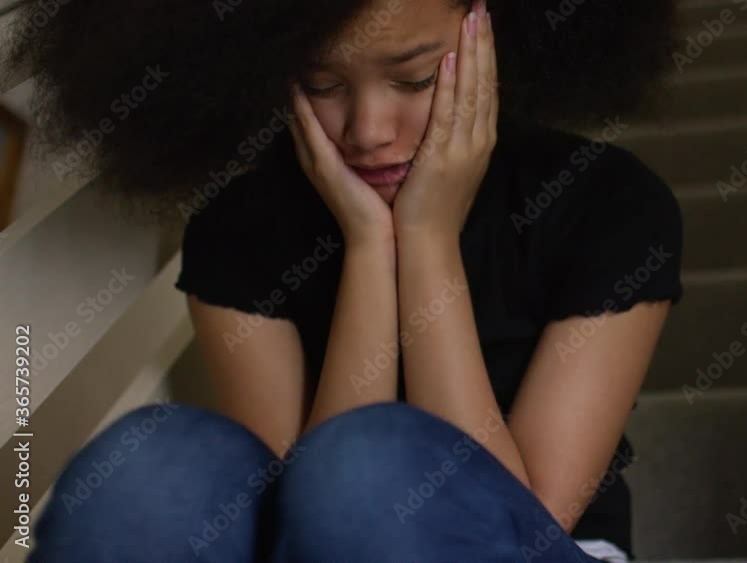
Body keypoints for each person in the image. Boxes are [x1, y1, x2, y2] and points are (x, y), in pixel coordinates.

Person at [9, 0, 682, 560]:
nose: (368, 131)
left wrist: (427, 239)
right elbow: (306, 529)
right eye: (323, 85)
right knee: (151, 464)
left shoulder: (605, 204)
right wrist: (369, 247)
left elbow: (522, 520)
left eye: (415, 79)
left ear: (493, 37)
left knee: (366, 465)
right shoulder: (241, 229)